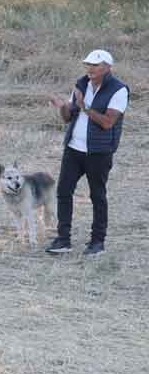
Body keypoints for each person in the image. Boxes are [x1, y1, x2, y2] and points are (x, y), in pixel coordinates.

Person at [46, 49, 128, 256]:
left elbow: (108, 123)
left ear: (107, 68)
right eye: (88, 64)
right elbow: (67, 118)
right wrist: (64, 106)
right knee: (63, 192)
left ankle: (97, 242)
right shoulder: (81, 84)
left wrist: (84, 107)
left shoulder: (118, 90)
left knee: (97, 196)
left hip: (99, 152)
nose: (90, 69)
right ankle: (63, 239)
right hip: (74, 149)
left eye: (96, 65)